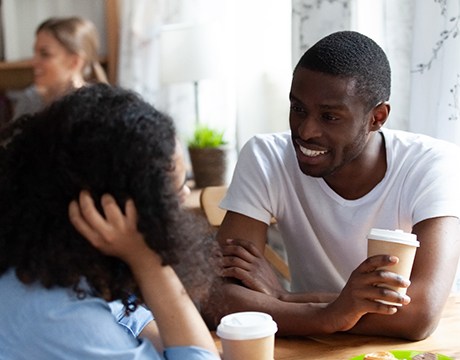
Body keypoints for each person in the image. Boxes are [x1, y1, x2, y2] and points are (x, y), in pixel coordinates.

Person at [204, 31, 460, 341]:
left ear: (377, 117)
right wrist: (331, 315)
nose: (306, 131)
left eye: (329, 117)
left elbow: (419, 316)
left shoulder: (433, 165)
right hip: (312, 344)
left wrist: (287, 300)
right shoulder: (266, 156)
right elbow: (217, 299)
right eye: (298, 109)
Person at [0, 83, 220, 359]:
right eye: (173, 192)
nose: (183, 199)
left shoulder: (39, 272)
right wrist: (148, 262)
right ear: (109, 213)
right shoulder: (67, 321)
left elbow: (122, 312)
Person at [9, 16, 108, 121]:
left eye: (45, 54)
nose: (33, 62)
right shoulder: (30, 100)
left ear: (75, 62)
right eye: (35, 53)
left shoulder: (100, 107)